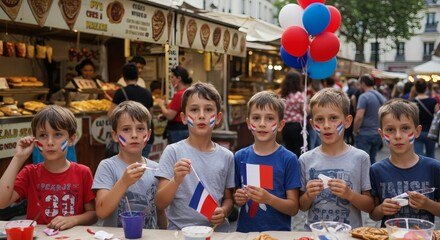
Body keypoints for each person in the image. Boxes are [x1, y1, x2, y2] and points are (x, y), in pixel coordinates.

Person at [0, 105, 96, 230]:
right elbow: (2, 202)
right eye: (43, 135)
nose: (50, 142)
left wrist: (73, 220)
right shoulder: (30, 173)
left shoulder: (83, 172)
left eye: (57, 134)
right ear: (35, 140)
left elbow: (93, 215)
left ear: (71, 139)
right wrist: (18, 158)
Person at [154, 82, 234, 232]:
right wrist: (176, 180)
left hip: (216, 232)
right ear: (184, 118)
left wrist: (224, 211)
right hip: (180, 233)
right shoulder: (172, 152)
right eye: (195, 110)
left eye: (208, 109)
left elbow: (228, 198)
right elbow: (160, 203)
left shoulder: (227, 156)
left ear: (218, 118)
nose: (202, 115)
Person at [299, 88, 374, 229]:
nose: (326, 125)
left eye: (333, 118)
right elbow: (302, 206)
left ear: (347, 121)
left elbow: (370, 206)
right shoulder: (305, 159)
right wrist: (309, 195)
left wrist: (349, 194)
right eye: (320, 120)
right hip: (314, 234)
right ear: (313, 124)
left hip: (349, 234)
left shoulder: (361, 158)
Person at [233, 91, 301, 232]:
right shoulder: (239, 157)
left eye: (270, 118)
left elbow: (293, 208)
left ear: (281, 125)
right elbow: (236, 197)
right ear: (248, 123)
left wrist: (268, 199)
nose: (262, 124)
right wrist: (238, 198)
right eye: (256, 118)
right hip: (245, 233)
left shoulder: (289, 159)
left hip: (278, 234)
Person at [93, 101, 167, 229]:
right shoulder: (107, 166)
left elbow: (160, 211)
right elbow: (101, 212)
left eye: (140, 129)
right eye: (126, 129)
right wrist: (124, 182)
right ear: (115, 136)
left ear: (148, 135)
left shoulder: (156, 168)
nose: (134, 135)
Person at [369, 98, 440, 227]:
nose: (397, 135)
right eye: (390, 130)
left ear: (417, 131)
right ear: (381, 134)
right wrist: (381, 209)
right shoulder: (376, 170)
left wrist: (428, 204)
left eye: (405, 128)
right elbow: (373, 214)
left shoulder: (434, 168)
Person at [108, 63, 154, 157]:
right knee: (143, 163)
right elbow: (150, 115)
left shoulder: (120, 92)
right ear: (138, 76)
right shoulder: (147, 92)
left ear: (123, 77)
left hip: (127, 139)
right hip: (144, 137)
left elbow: (111, 114)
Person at [353, 74, 386, 165]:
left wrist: (355, 131)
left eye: (359, 84)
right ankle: (372, 178)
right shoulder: (381, 96)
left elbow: (359, 117)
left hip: (365, 133)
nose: (359, 86)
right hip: (377, 133)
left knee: (363, 162)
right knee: (372, 159)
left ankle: (366, 179)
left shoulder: (364, 97)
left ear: (363, 84)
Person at [156, 66, 192, 144]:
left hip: (177, 131)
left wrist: (161, 105)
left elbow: (170, 115)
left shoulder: (179, 95)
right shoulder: (188, 92)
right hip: (186, 129)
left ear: (178, 78)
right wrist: (164, 116)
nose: (170, 80)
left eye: (172, 77)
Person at [279, 70, 305, 157]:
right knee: (298, 150)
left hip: (285, 126)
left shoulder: (282, 95)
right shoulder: (299, 95)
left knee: (288, 150)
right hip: (297, 126)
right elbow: (304, 111)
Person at [412, 79, 438, 158]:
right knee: (431, 154)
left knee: (419, 156)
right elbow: (437, 116)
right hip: (431, 132)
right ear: (426, 88)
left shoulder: (412, 102)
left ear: (415, 88)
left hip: (417, 132)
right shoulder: (433, 101)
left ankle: (422, 170)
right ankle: (432, 170)